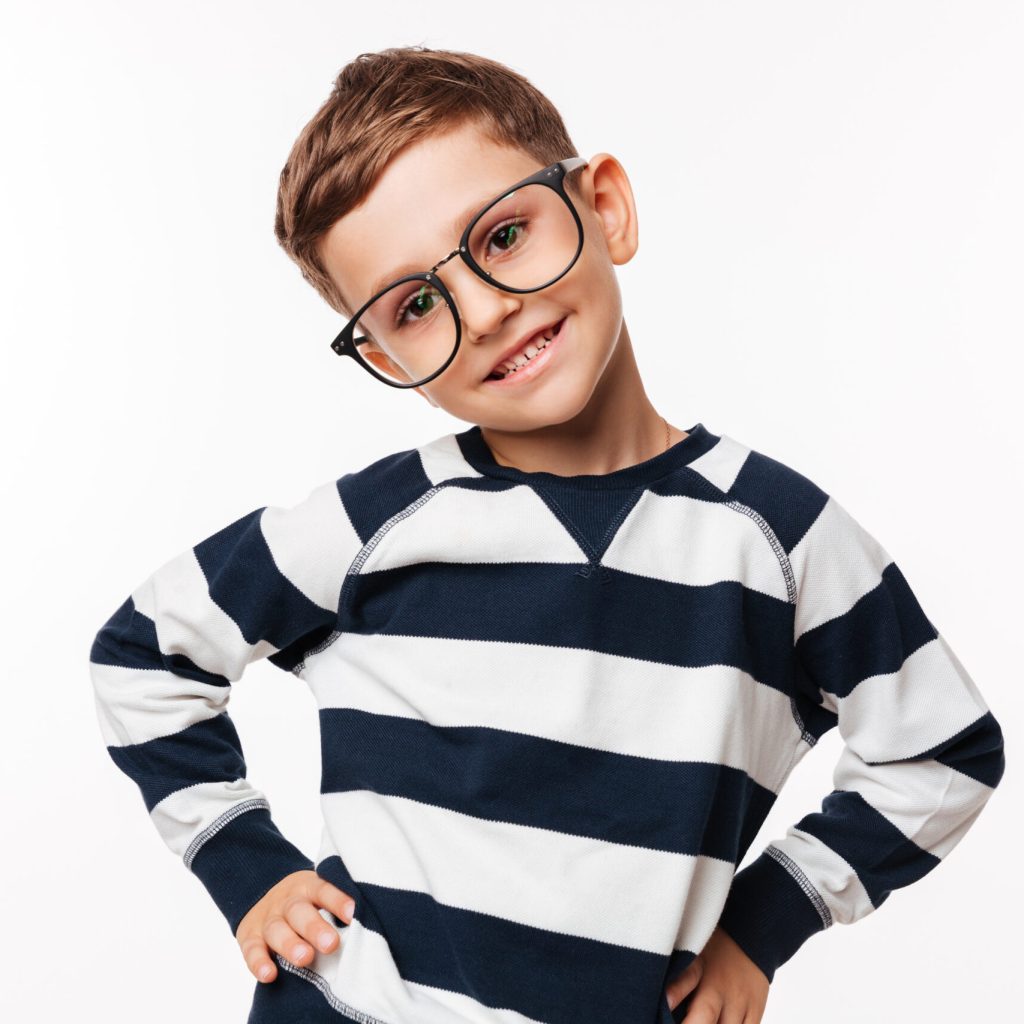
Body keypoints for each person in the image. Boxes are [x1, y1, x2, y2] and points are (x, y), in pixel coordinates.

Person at [88, 45, 1006, 1024]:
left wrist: (762, 925)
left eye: (504, 235)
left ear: (603, 206)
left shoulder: (778, 540)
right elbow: (143, 653)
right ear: (381, 352)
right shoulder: (372, 525)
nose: (481, 312)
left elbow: (941, 749)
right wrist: (245, 863)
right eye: (414, 305)